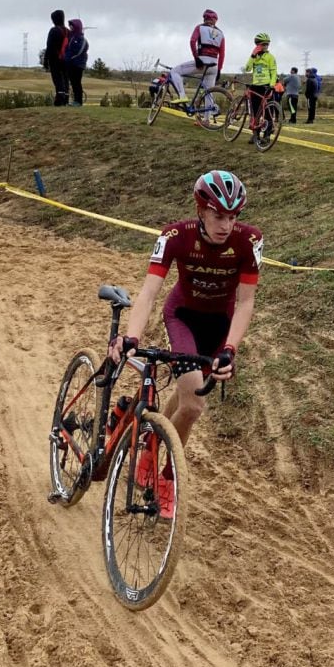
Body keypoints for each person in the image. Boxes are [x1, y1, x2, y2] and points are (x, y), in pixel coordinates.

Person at [107, 172, 261, 506]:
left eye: (233, 217)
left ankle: (151, 444)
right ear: (201, 210)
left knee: (184, 397)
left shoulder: (249, 241)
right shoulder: (176, 235)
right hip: (183, 317)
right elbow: (149, 291)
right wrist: (132, 336)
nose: (226, 225)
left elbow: (246, 301)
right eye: (218, 215)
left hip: (220, 325)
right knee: (193, 404)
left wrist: (231, 349)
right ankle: (163, 469)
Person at [169, 9, 225, 118]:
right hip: (214, 65)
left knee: (175, 71)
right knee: (208, 93)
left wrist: (196, 58)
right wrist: (219, 69)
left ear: (204, 18)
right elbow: (222, 53)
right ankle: (206, 120)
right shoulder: (221, 34)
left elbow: (192, 41)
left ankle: (182, 95)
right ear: (215, 20)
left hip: (202, 61)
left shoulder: (199, 27)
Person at [243, 32, 278, 132]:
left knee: (268, 112)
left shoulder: (270, 57)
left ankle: (267, 135)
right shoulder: (254, 57)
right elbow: (247, 68)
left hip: (267, 87)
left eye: (267, 44)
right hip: (255, 86)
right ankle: (256, 134)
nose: (266, 46)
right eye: (263, 44)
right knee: (255, 112)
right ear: (257, 45)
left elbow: (274, 72)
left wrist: (271, 85)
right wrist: (253, 55)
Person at [43, 9, 69, 106]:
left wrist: (46, 60)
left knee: (57, 78)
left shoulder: (53, 31)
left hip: (55, 59)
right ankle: (66, 98)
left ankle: (59, 98)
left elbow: (49, 46)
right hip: (67, 59)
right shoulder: (68, 31)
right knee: (65, 78)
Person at [63, 18, 89, 106]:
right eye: (70, 25)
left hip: (78, 64)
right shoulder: (71, 37)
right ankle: (75, 101)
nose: (70, 27)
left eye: (72, 25)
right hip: (70, 64)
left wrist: (70, 58)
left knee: (77, 82)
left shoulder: (82, 39)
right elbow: (67, 49)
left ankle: (78, 101)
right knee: (73, 83)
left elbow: (78, 51)